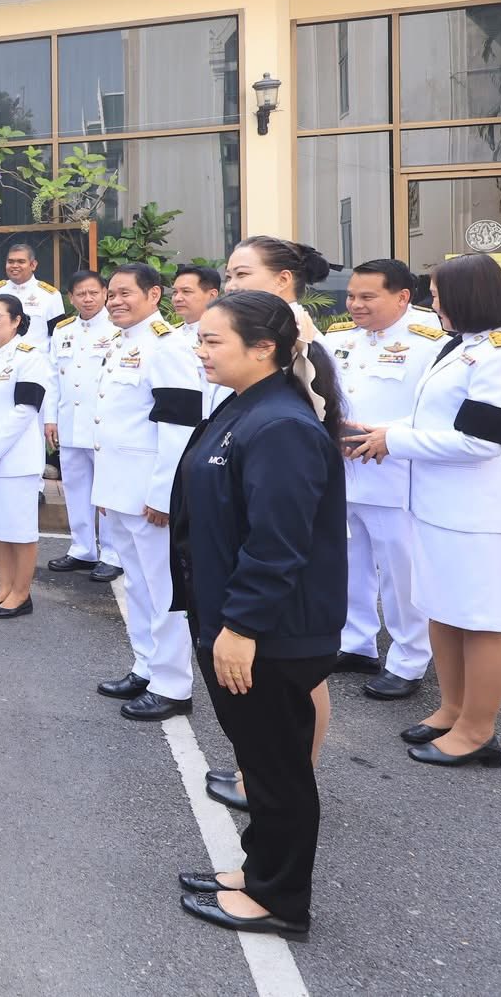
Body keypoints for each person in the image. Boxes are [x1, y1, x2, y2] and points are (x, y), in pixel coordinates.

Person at [170, 290, 347, 938]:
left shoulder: (282, 425)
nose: (201, 348)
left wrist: (240, 626)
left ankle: (279, 898)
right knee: (263, 759)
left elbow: (278, 542)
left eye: (214, 340)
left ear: (264, 348)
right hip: (237, 621)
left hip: (268, 631)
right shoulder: (249, 406)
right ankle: (258, 871)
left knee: (277, 770)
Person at [345, 254, 501, 769]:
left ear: (469, 297)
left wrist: (397, 439)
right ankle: (453, 708)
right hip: (437, 506)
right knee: (444, 614)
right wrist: (385, 433)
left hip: (478, 515)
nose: (433, 303)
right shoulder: (465, 345)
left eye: (437, 293)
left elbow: (482, 440)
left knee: (482, 623)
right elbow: (432, 416)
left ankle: (478, 731)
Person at [85, 263, 206, 722]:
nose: (114, 301)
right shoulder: (123, 344)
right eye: (110, 294)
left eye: (124, 294)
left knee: (163, 589)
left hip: (149, 496)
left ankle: (173, 685)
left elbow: (179, 428)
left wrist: (163, 495)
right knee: (136, 585)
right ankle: (146, 666)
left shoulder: (167, 347)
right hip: (120, 491)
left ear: (154, 294)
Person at [319, 259, 438, 701]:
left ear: (402, 297)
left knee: (400, 572)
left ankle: (409, 659)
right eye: (352, 295)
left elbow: (434, 409)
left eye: (368, 297)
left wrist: (389, 435)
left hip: (393, 473)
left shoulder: (430, 344)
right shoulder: (339, 339)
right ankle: (357, 641)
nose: (355, 304)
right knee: (349, 563)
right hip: (344, 470)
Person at [0, 292, 54, 620]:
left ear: (17, 321)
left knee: (18, 530)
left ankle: (21, 594)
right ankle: (4, 588)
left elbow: (26, 409)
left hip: (12, 461)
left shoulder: (29, 357)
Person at [45, 269, 123, 581]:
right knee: (75, 488)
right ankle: (82, 548)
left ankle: (113, 552)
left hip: (103, 425)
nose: (87, 299)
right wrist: (50, 418)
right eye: (80, 294)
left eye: (93, 292)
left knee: (107, 492)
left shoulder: (118, 329)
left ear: (105, 293)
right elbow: (52, 379)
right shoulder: (62, 331)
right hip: (69, 423)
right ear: (71, 297)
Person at [0, 241, 66, 353]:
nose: (15, 266)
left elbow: (59, 335)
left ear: (33, 265)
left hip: (35, 363)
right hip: (0, 361)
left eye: (21, 262)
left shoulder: (50, 295)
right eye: (10, 262)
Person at [171, 264, 226, 415]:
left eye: (186, 292)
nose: (177, 298)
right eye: (175, 292)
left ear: (212, 295)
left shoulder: (224, 335)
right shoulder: (170, 334)